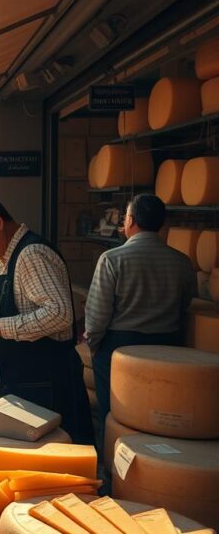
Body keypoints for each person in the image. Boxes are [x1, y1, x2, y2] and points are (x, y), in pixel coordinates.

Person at [0, 186, 92, 445]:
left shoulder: (31, 254)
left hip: (46, 388)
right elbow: (32, 310)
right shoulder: (8, 256)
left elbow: (60, 314)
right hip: (29, 385)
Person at [84, 194, 195, 485]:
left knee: (117, 418)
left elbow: (97, 314)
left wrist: (95, 346)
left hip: (119, 348)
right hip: (167, 349)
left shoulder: (112, 259)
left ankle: (116, 478)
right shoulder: (182, 262)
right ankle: (160, 478)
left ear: (130, 221)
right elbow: (185, 304)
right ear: (162, 224)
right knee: (159, 419)